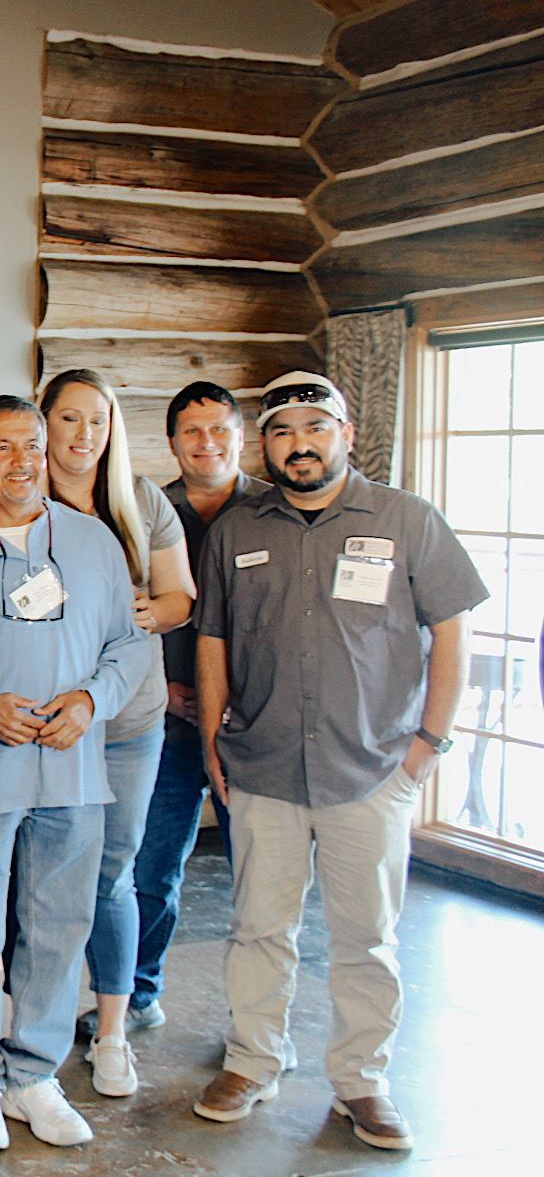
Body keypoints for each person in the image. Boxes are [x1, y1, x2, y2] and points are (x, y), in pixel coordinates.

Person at [191, 373, 484, 1152]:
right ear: (267, 445)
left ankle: (362, 1082)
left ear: (346, 436)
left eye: (316, 428)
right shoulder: (237, 531)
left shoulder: (407, 520)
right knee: (259, 928)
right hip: (264, 766)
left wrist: (428, 746)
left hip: (374, 769)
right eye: (284, 431)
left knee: (367, 937)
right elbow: (212, 640)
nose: (301, 444)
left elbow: (452, 634)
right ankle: (253, 1061)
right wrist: (213, 739)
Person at [0, 395, 149, 1152]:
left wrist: (93, 701)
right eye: (3, 448)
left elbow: (132, 645)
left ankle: (33, 1073)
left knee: (60, 928)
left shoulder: (94, 541)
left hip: (73, 769)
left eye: (32, 444)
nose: (25, 460)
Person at [38, 368, 195, 1097]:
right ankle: (32, 1031)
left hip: (129, 720)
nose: (83, 434)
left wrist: (134, 615)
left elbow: (178, 600)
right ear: (44, 424)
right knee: (41, 875)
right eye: (69, 419)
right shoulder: (21, 499)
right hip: (48, 723)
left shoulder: (144, 502)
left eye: (96, 420)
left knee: (114, 874)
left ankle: (110, 1033)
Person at [127, 382, 267, 1029]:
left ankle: (255, 1018)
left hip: (260, 731)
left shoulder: (276, 511)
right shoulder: (145, 511)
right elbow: (125, 614)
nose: (206, 444)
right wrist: (165, 688)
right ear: (172, 440)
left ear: (242, 437)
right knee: (151, 870)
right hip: (170, 724)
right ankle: (135, 995)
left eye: (219, 430)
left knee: (263, 882)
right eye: (192, 432)